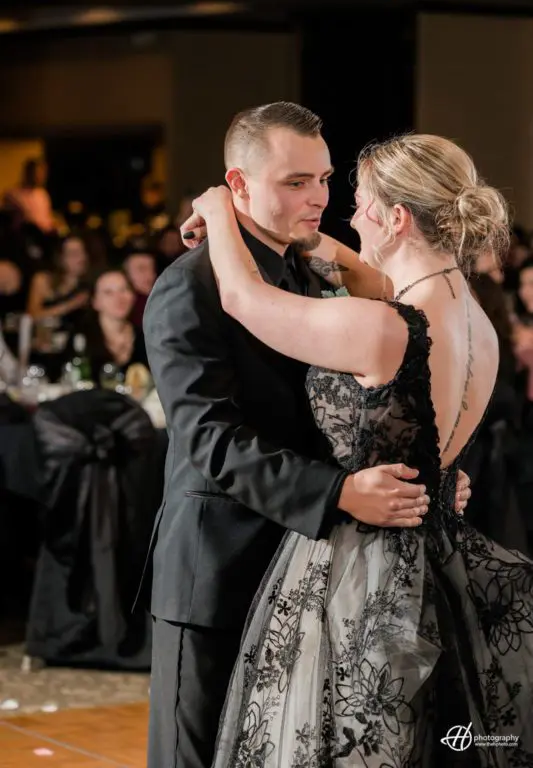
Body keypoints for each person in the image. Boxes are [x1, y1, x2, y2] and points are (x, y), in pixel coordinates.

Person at [188, 129, 533, 766]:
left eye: (360, 203)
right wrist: (312, 240)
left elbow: (241, 298)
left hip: (362, 565)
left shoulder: (382, 326)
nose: (347, 215)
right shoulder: (472, 315)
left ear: (397, 217)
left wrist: (215, 207)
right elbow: (370, 274)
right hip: (434, 555)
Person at [141, 103, 471, 768]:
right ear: (239, 185)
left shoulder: (307, 272)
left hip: (302, 563)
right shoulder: (191, 286)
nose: (318, 197)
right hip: (218, 565)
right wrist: (338, 492)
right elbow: (209, 439)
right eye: (295, 182)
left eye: (322, 179)